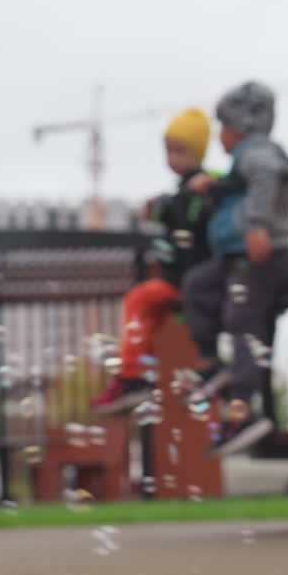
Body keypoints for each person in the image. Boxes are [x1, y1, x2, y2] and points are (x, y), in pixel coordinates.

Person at [181, 81, 288, 457]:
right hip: (236, 261)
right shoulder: (242, 159)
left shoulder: (258, 152)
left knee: (242, 316)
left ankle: (244, 409)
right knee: (197, 286)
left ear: (240, 127)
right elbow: (243, 184)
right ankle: (212, 363)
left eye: (223, 127)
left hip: (266, 256)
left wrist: (259, 226)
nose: (219, 136)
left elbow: (265, 177)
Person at [90, 108, 217, 413]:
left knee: (139, 300)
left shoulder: (202, 187)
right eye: (169, 151)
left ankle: (134, 377)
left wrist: (163, 206)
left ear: (198, 152)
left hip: (189, 277)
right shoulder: (187, 189)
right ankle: (135, 375)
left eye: (180, 151)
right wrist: (158, 206)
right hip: (182, 277)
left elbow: (186, 212)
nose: (173, 158)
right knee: (145, 313)